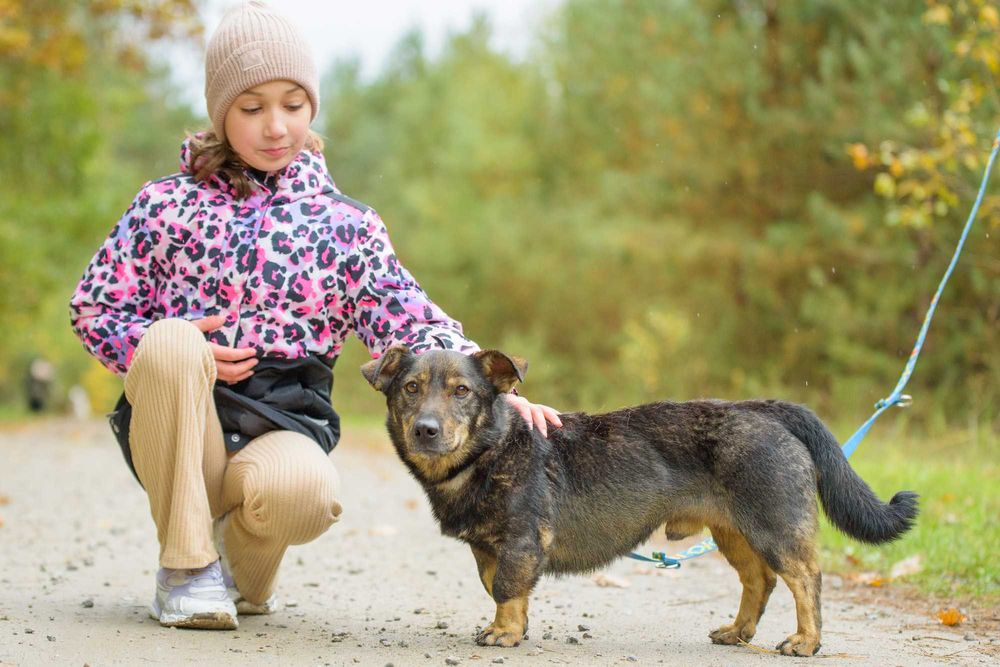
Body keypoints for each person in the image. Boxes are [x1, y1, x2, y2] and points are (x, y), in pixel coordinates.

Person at [69, 0, 561, 631]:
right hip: (179, 424)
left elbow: (404, 314)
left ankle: (238, 574)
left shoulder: (345, 226)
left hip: (279, 420)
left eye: (293, 105)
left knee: (307, 495)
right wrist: (166, 341)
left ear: (313, 108)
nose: (276, 126)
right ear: (221, 111)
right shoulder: (164, 206)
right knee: (168, 343)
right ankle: (186, 569)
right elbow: (95, 305)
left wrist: (491, 389)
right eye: (252, 108)